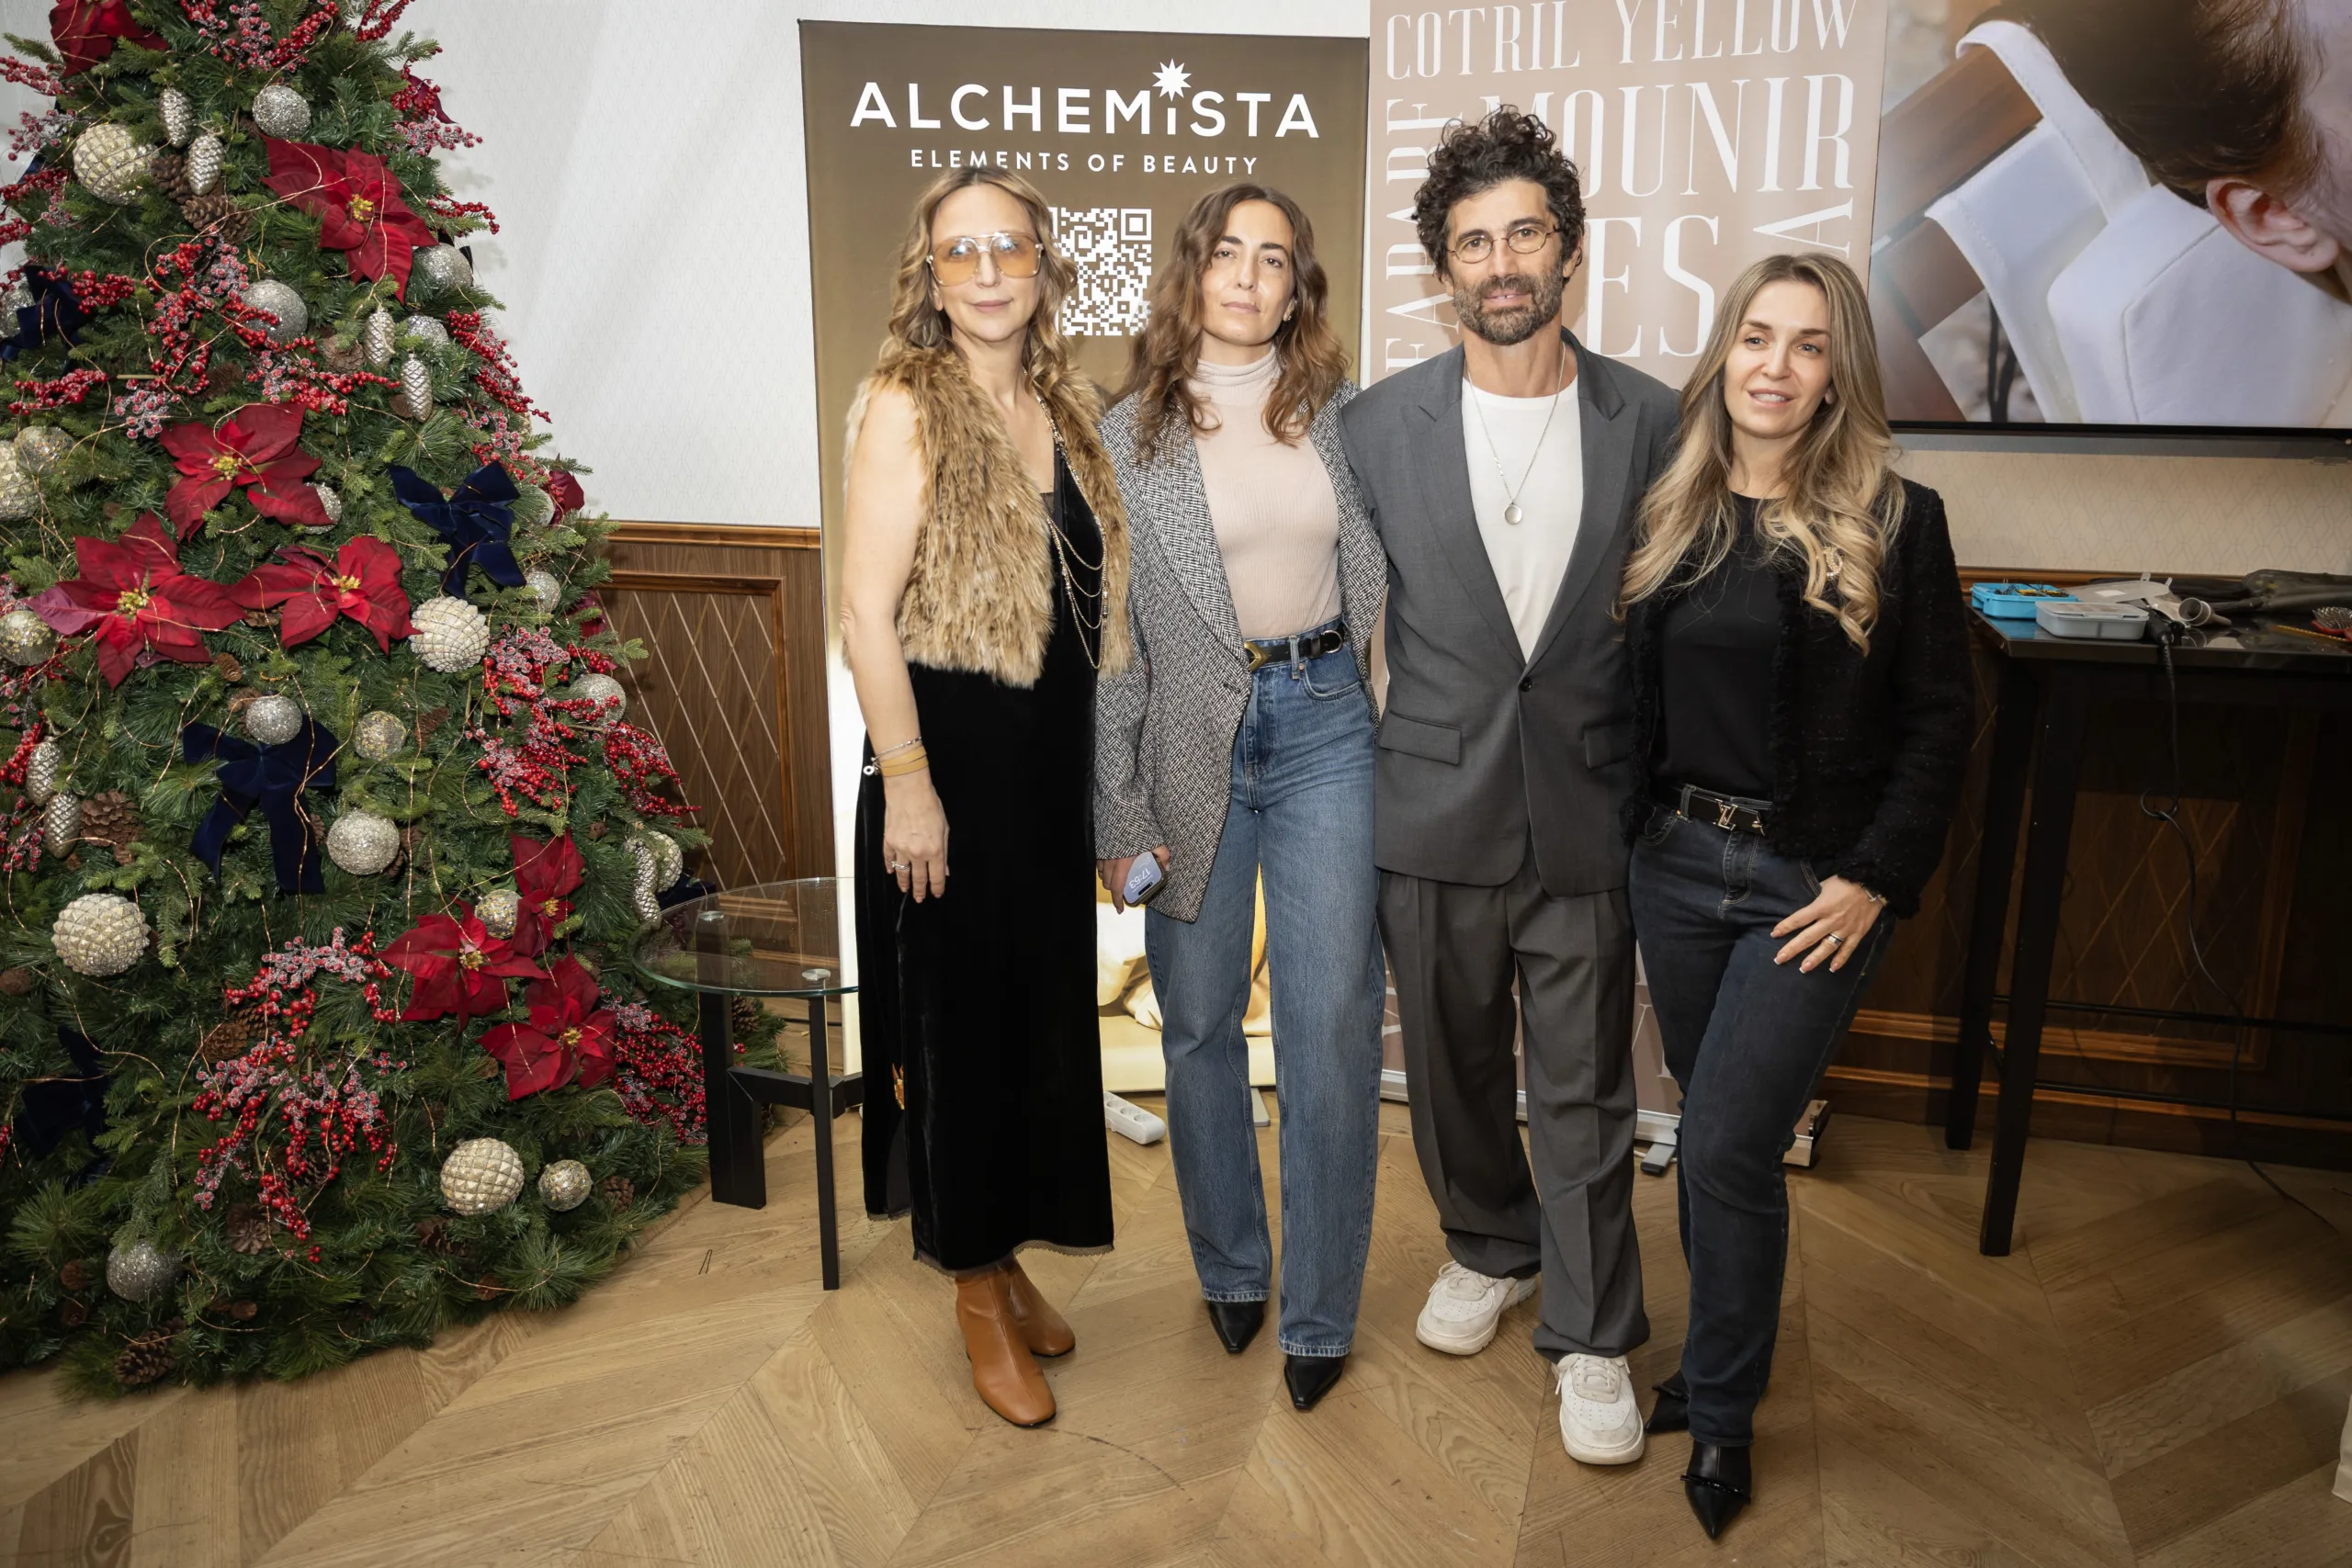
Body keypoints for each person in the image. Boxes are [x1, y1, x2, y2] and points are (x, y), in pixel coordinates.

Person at [1338, 107, 1679, 1465]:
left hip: (1588, 804)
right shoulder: (1375, 428)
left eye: (1525, 232)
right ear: (1443, 269)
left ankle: (1594, 1334)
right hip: (1430, 803)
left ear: (1570, 250)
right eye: (1474, 241)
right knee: (1451, 1068)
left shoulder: (1655, 420)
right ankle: (1490, 1242)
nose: (1502, 262)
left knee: (1588, 1086)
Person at [1619, 253, 1972, 1538]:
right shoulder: (1670, 506)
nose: (1775, 366)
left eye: (1808, 345)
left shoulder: (1899, 518)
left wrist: (1874, 879)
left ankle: (1722, 1409)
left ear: (1837, 375)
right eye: (1756, 337)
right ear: (1725, 352)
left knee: (1722, 1143)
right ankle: (1717, 1362)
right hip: (1675, 866)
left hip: (1809, 888)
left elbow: (1942, 723)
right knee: (1709, 1130)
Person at [841, 167, 1132, 1430]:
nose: (989, 270)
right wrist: (909, 788)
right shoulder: (908, 403)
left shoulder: (1068, 407)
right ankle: (971, 1288)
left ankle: (1007, 1259)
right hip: (945, 776)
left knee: (1034, 1029)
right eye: (961, 251)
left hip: (1043, 779)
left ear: (1043, 266)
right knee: (957, 1038)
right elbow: (865, 613)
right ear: (932, 275)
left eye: (1009, 245)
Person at [1093, 185, 1386, 1413]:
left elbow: (1391, 582)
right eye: (1229, 254)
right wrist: (1117, 813)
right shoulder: (1124, 435)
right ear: (1193, 271)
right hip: (1187, 746)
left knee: (1329, 1029)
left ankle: (1318, 1310)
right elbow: (1111, 638)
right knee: (1201, 1021)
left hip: (1326, 728)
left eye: (1275, 259)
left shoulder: (1345, 417)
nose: (1251, 278)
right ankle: (1230, 1265)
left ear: (1297, 285)